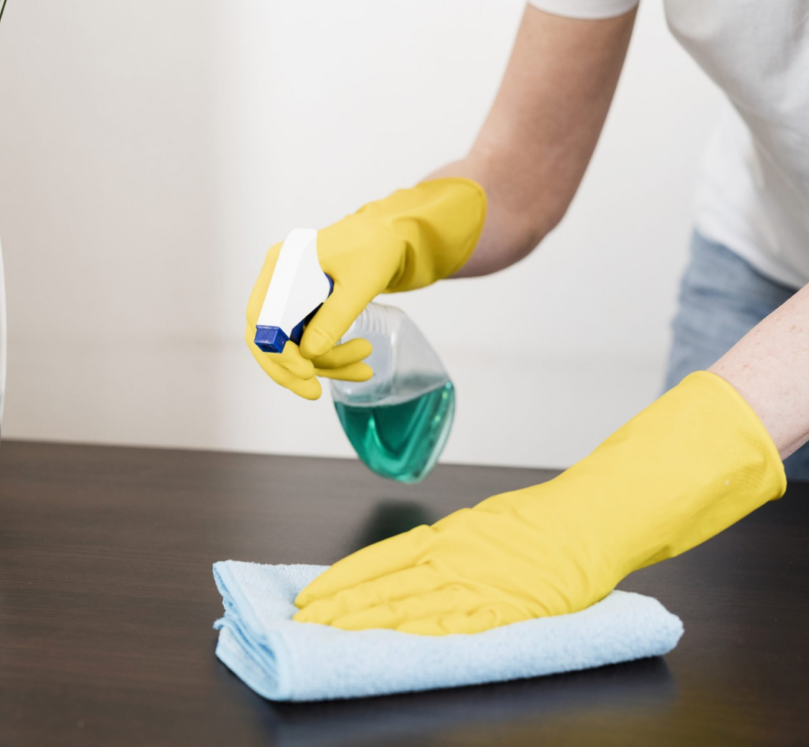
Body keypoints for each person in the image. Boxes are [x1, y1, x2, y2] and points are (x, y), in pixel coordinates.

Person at [244, 2, 809, 636]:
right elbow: (524, 168)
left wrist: (600, 509)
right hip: (766, 262)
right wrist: (407, 227)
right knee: (727, 630)